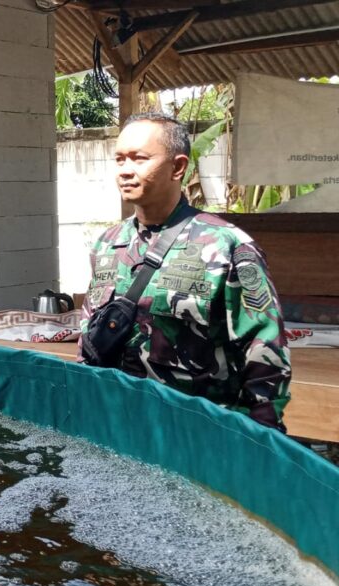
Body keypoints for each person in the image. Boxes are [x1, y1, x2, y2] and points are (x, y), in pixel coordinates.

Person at [79, 112, 290, 431]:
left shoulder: (227, 246)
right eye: (120, 159)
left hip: (197, 432)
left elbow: (264, 344)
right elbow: (90, 336)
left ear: (177, 167)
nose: (125, 170)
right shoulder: (108, 244)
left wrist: (261, 433)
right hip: (117, 424)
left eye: (139, 159)